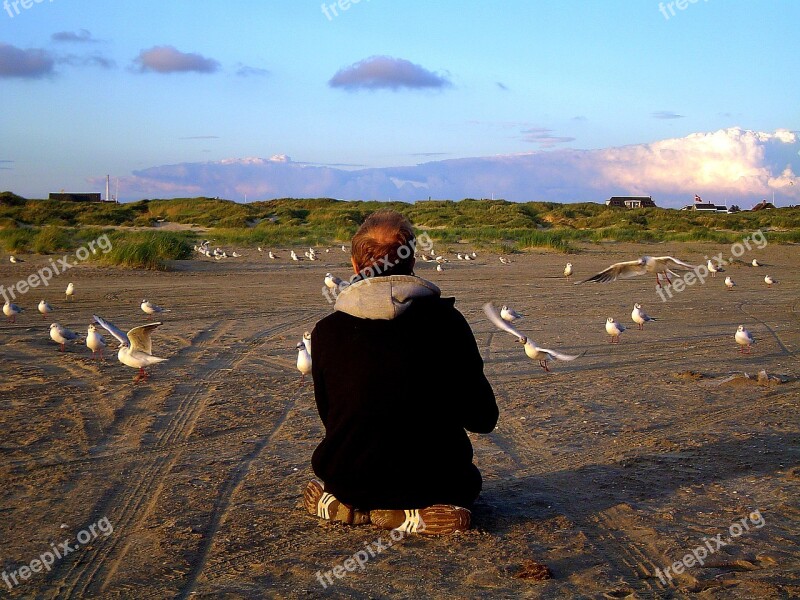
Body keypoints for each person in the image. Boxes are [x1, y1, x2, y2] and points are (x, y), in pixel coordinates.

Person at [304, 210, 498, 535]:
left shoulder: (326, 331)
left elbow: (331, 416)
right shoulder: (448, 324)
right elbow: (483, 419)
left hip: (349, 479)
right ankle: (418, 515)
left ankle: (347, 505)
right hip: (435, 484)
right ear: (411, 264)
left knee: (347, 467)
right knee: (462, 484)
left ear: (354, 267)